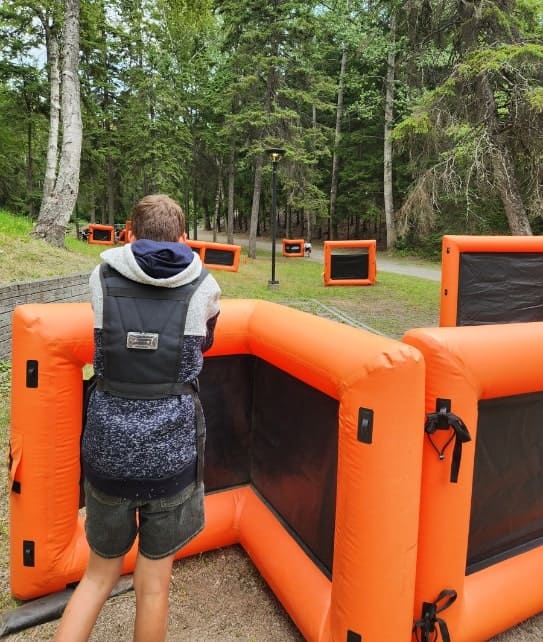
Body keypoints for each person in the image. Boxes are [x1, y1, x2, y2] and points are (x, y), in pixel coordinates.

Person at [54, 194, 221, 642]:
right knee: (153, 587)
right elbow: (203, 345)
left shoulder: (101, 275)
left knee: (96, 577)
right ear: (184, 238)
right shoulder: (205, 285)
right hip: (170, 457)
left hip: (107, 449)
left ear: (129, 231)